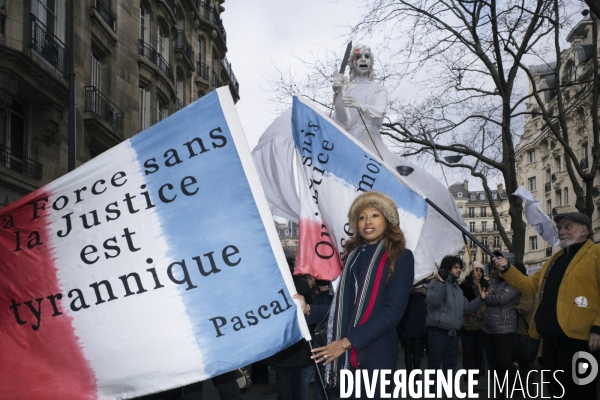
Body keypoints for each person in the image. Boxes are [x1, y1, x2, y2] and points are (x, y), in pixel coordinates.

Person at [295, 191, 415, 398]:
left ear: (387, 221)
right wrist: (308, 309)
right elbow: (342, 309)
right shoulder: (352, 258)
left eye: (375, 215)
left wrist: (344, 343)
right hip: (344, 356)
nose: (367, 221)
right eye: (361, 217)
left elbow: (392, 313)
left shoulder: (401, 256)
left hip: (375, 354)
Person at [493, 212, 600, 400]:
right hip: (550, 338)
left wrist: (598, 328)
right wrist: (507, 269)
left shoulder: (596, 254)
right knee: (556, 390)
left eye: (568, 226)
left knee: (581, 391)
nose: (561, 231)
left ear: (584, 230)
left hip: (581, 339)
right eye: (559, 227)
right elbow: (529, 284)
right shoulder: (555, 259)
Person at [426, 256, 488, 377]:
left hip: (453, 334)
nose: (459, 270)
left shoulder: (457, 289)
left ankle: (449, 394)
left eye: (460, 267)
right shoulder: (435, 283)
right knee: (434, 365)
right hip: (438, 332)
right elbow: (434, 301)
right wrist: (441, 282)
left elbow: (467, 308)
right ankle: (431, 393)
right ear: (447, 269)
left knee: (450, 366)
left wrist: (481, 299)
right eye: (456, 267)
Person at [481, 253, 521, 398]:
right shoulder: (495, 282)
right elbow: (485, 296)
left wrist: (486, 297)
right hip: (488, 329)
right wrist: (485, 297)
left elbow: (501, 299)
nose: (494, 271)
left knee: (504, 363)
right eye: (493, 268)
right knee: (493, 364)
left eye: (497, 268)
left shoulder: (514, 282)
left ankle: (514, 391)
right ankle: (500, 392)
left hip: (504, 330)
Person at [459, 263, 489, 384]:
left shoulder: (485, 286)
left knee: (478, 353)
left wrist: (479, 288)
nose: (478, 273)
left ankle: (475, 381)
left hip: (481, 325)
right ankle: (468, 381)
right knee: (468, 353)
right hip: (468, 324)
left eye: (480, 270)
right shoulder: (464, 286)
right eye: (476, 270)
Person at [397, 286, 427, 374]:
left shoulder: (406, 296)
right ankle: (416, 376)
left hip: (406, 326)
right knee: (417, 352)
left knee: (408, 352)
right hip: (419, 326)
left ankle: (409, 376)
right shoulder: (422, 296)